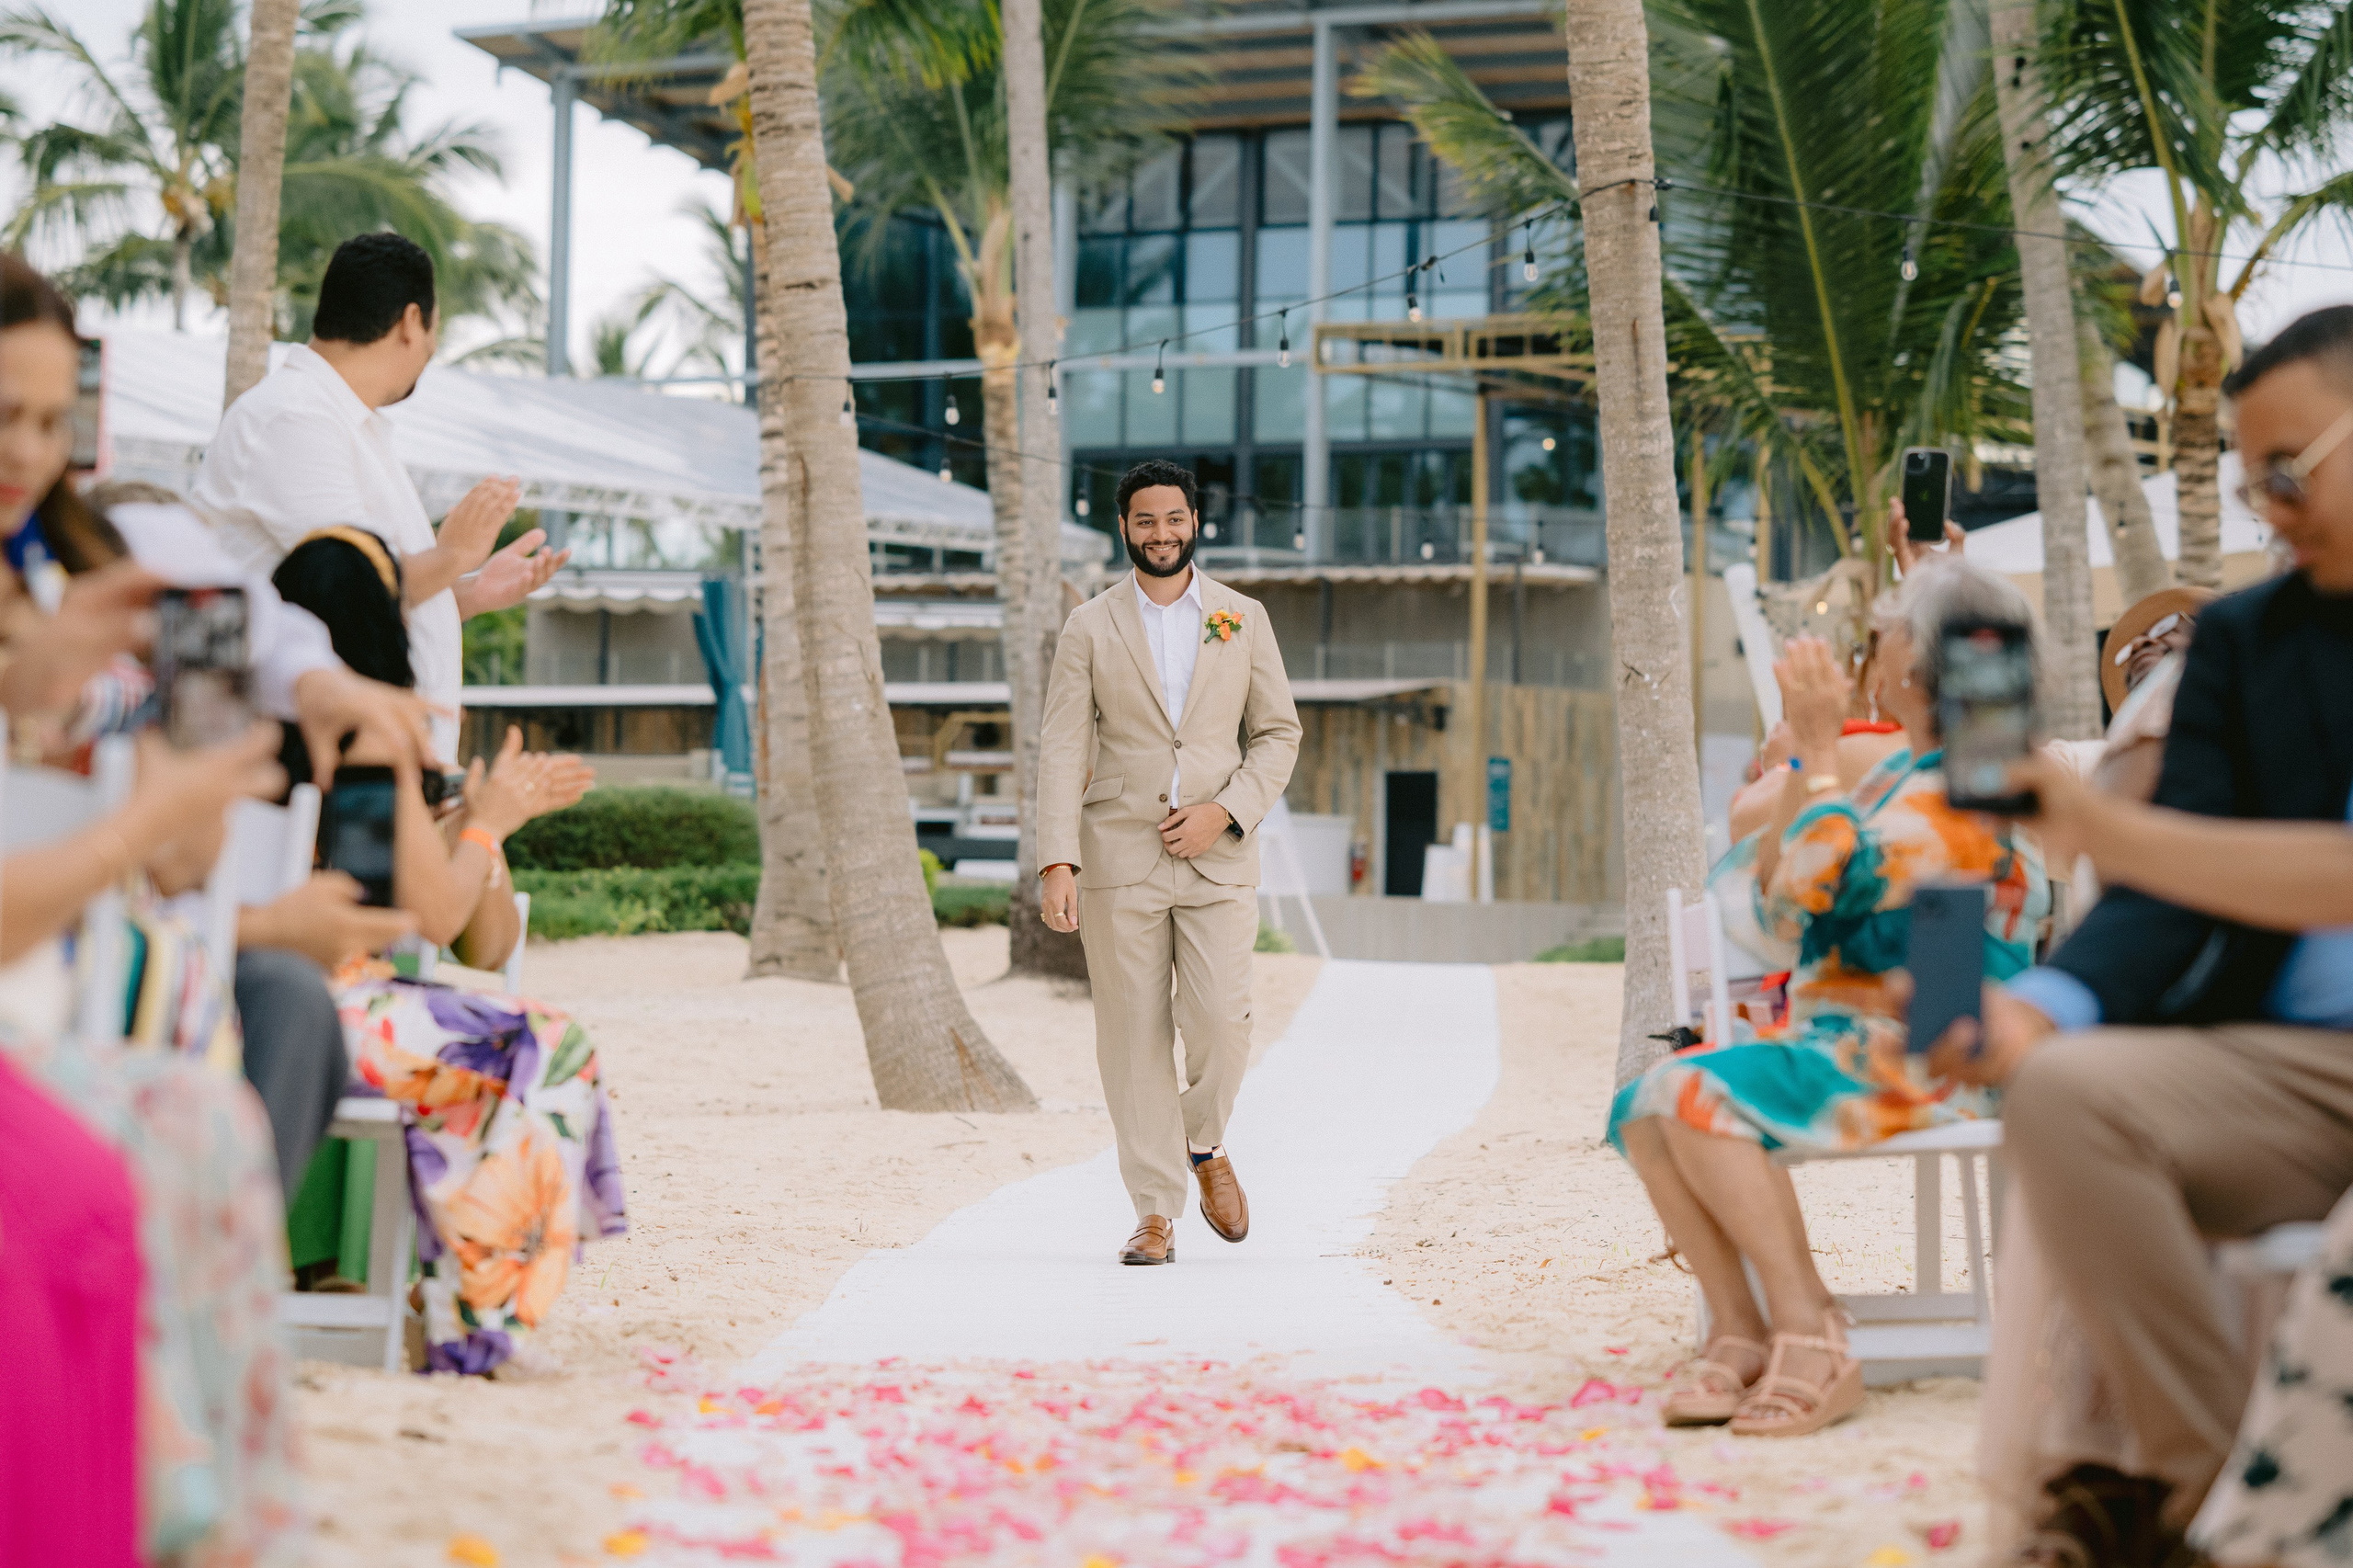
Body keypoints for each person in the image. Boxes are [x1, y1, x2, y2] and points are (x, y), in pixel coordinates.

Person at [1933, 303, 2353, 1565]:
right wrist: (2029, 1011)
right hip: (2288, 1060)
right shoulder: (2244, 641)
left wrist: (2092, 831)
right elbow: (2168, 899)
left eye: (2288, 471)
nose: (2265, 506)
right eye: (2246, 479)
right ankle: (2216, 1498)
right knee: (2062, 1093)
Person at [1609, 558, 2049, 1438]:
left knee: (1689, 1094)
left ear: (1917, 668)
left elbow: (1796, 891)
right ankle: (1742, 1329)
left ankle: (1812, 1332)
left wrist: (1812, 749)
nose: (1865, 652)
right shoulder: (1904, 774)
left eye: (1880, 635)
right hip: (1855, 1036)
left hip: (1938, 1048)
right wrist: (1814, 772)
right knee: (1643, 1107)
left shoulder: (1973, 781)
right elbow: (1785, 907)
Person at [269, 528, 621, 1374]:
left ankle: (448, 1296)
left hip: (238, 988)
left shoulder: (250, 711)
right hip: (336, 1007)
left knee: (522, 1043)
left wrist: (471, 826)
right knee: (549, 1045)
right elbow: (435, 917)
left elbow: (471, 923)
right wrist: (492, 822)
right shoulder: (373, 733)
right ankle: (476, 1315)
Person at [1036, 459, 1302, 1266]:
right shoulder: (1089, 624)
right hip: (1119, 855)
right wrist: (1057, 859)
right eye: (1145, 521)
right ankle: (1155, 1211)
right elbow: (1062, 744)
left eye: (1174, 519)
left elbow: (1280, 733)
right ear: (1125, 528)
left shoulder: (1242, 618)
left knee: (1222, 1019)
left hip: (1219, 857)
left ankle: (1205, 1143)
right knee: (1132, 1038)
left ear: (1195, 523)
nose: (1161, 533)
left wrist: (1227, 810)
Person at [193, 230, 567, 759]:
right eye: (436, 328)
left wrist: (467, 592)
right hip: (315, 766)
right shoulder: (295, 418)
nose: (432, 348)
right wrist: (453, 554)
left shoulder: (340, 421)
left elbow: (351, 615)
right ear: (413, 321)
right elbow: (352, 593)